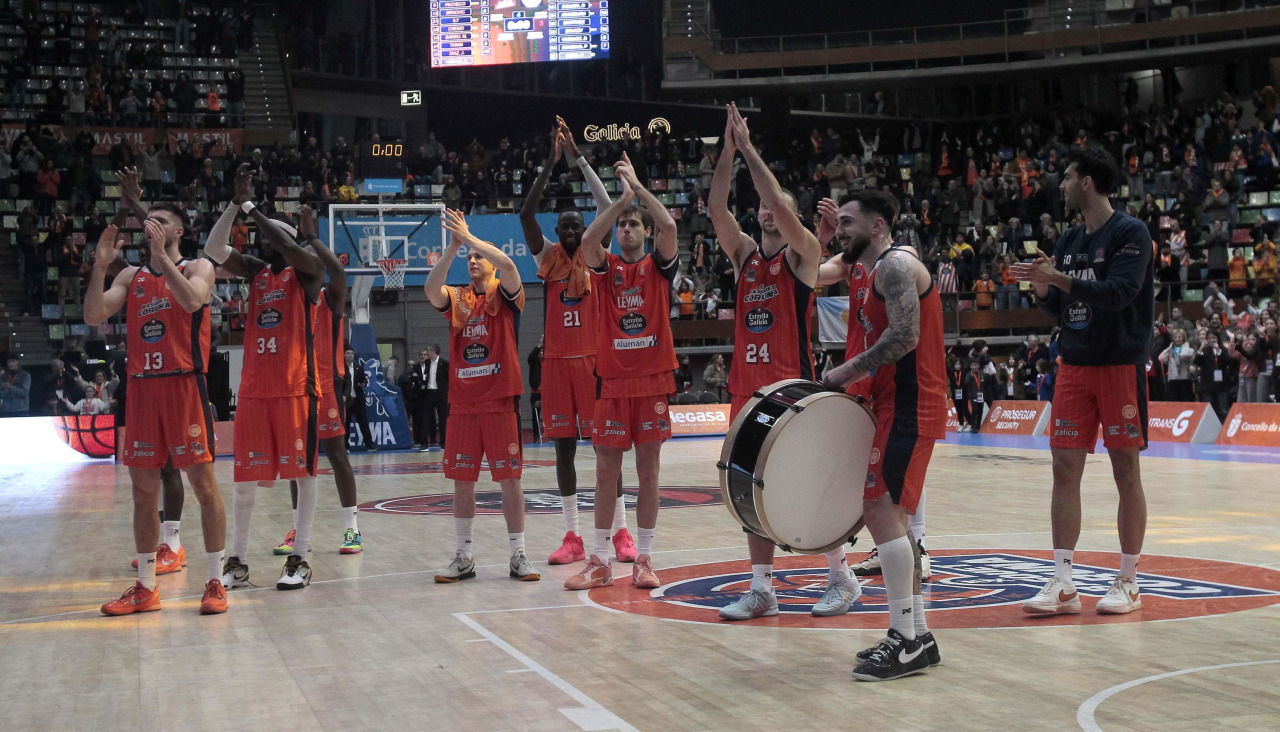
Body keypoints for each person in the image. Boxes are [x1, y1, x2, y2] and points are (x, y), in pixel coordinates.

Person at [709, 103, 861, 621]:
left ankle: (842, 577)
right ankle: (761, 588)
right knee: (748, 489)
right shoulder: (745, 256)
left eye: (776, 205)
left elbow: (776, 198)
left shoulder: (802, 257)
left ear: (790, 214)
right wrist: (728, 152)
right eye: (762, 205)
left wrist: (750, 147)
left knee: (806, 479)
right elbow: (716, 210)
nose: (766, 208)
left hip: (792, 390)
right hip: (744, 390)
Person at [1013, 147, 1154, 617]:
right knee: (1063, 469)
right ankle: (1064, 582)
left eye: (1069, 177)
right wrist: (1042, 287)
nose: (1063, 184)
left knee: (1124, 472)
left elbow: (1119, 294)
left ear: (1088, 182)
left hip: (1119, 364)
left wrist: (1061, 279)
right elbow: (1062, 309)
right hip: (1073, 364)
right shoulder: (1071, 238)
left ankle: (1130, 580)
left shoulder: (1131, 233)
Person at [822, 188, 948, 681]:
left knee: (878, 508)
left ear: (878, 226)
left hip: (912, 403)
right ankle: (918, 632)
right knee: (889, 511)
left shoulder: (895, 267)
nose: (841, 231)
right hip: (898, 403)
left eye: (848, 222)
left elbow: (905, 338)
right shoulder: (873, 270)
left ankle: (906, 640)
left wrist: (845, 370)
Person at [84, 202, 228, 616]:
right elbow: (94, 313)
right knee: (143, 491)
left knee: (204, 485)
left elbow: (192, 302)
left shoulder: (198, 267)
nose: (152, 225)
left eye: (162, 221)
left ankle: (215, 581)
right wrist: (99, 266)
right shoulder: (131, 276)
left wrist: (163, 257)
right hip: (143, 389)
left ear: (178, 231)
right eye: (150, 221)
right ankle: (146, 587)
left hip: (185, 385)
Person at [206, 165, 326, 592]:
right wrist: (235, 205)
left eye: (270, 235)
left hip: (297, 389)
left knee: (304, 475)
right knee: (244, 481)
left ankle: (301, 558)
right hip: (256, 391)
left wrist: (254, 209)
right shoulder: (258, 273)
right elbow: (213, 247)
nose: (262, 240)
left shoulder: (306, 270)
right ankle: (237, 561)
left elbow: (288, 248)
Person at [563, 151, 678, 592]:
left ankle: (644, 559)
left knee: (649, 472)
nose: (627, 229)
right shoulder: (605, 266)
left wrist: (639, 191)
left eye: (634, 224)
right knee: (605, 473)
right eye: (623, 225)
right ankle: (599, 559)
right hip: (611, 381)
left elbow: (668, 227)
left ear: (644, 233)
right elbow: (590, 239)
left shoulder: (658, 265)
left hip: (651, 381)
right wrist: (621, 199)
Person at [521, 118, 632, 566]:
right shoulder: (547, 258)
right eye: (564, 225)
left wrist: (578, 158)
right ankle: (572, 536)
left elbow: (607, 204)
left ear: (586, 231)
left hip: (592, 362)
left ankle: (622, 531)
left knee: (607, 449)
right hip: (555, 365)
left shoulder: (593, 253)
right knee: (563, 450)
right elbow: (526, 215)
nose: (569, 231)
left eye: (576, 226)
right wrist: (549, 164)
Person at [425, 209, 539, 584]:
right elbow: (430, 290)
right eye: (470, 258)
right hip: (463, 404)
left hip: (500, 402)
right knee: (463, 482)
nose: (473, 260)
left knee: (510, 481)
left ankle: (518, 554)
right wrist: (453, 246)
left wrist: (472, 239)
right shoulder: (458, 299)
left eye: (478, 257)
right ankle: (463, 555)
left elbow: (507, 265)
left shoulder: (504, 295)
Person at [269, 206, 363, 556]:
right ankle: (297, 531)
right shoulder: (287, 298)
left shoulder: (330, 297)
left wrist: (310, 237)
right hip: (295, 388)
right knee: (297, 462)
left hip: (327, 386)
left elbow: (337, 270)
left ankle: (352, 529)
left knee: (337, 456)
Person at [415, 345, 448, 451]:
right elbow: (426, 376)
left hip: (440, 394)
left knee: (443, 419)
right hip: (429, 393)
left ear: (433, 351)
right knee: (426, 418)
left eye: (428, 351)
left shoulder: (444, 363)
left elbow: (448, 380)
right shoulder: (428, 363)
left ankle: (444, 443)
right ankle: (424, 443)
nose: (426, 353)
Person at [344, 348, 375, 450]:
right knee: (346, 424)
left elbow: (364, 380)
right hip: (346, 400)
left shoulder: (358, 367)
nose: (350, 355)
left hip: (358, 399)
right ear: (344, 355)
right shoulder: (340, 368)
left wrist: (362, 383)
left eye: (352, 353)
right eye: (348, 353)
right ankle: (345, 447)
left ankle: (370, 445)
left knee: (363, 423)